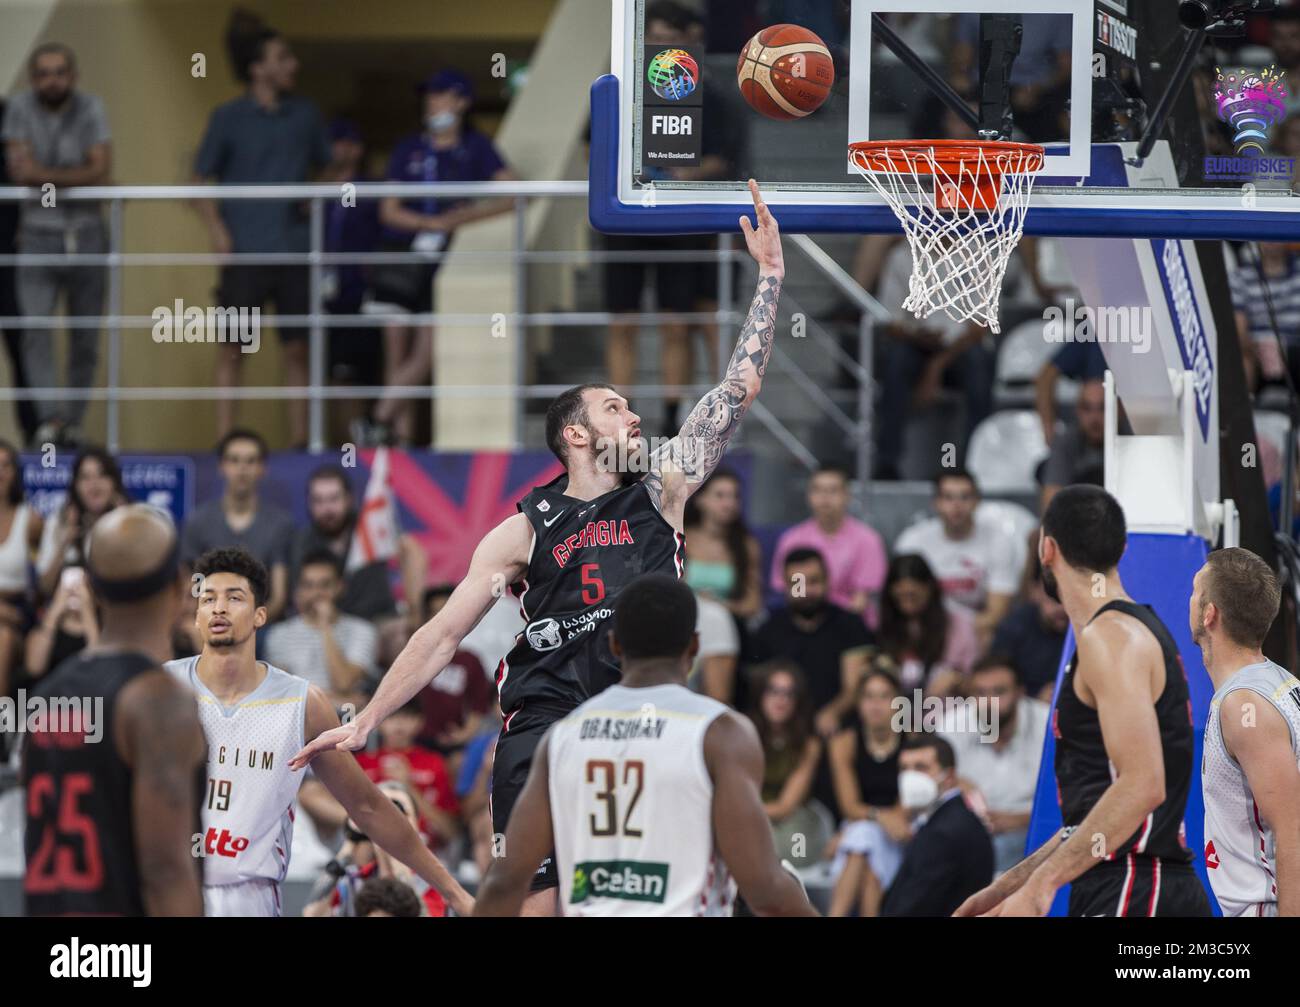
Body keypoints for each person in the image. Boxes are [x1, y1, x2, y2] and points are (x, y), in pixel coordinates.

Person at [293, 180, 787, 919]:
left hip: (640, 718)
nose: (635, 413)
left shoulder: (662, 486)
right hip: (544, 723)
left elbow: (736, 390)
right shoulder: (524, 526)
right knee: (539, 907)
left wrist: (771, 277)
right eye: (616, 406)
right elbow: (441, 632)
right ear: (577, 434)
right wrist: (365, 719)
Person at [472, 574, 817, 916]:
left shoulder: (563, 736)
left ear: (615, 645)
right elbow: (765, 890)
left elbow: (505, 881)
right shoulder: (721, 733)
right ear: (694, 647)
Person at [167, 547, 470, 917]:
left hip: (250, 900)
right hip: (168, 894)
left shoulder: (302, 702)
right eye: (208, 599)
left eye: (234, 597)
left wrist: (454, 892)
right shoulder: (161, 688)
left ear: (261, 614)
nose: (218, 608)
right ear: (196, 616)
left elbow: (368, 806)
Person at [956, 486, 1211, 917]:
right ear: (1121, 549)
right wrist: (1009, 885)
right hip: (1131, 884)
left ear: (1046, 548)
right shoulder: (1122, 631)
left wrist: (1040, 889)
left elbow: (1142, 785)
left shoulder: (1108, 637)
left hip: (1134, 885)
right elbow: (1093, 816)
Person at [23, 505, 205, 915]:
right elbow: (165, 871)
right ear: (179, 586)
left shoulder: (47, 694)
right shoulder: (159, 702)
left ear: (90, 587)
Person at [191, 19, 334, 444]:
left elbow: (329, 167)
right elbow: (197, 183)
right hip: (244, 252)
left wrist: (317, 195)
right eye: (282, 58)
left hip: (294, 249)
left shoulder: (305, 114)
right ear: (257, 69)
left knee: (297, 348)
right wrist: (217, 230)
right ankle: (225, 440)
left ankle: (301, 440)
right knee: (234, 347)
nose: (294, 64)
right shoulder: (228, 117)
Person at [364, 69, 516, 445]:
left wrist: (463, 218)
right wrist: (430, 221)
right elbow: (388, 209)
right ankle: (394, 443)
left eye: (442, 95)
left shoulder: (476, 147)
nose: (433, 103)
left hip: (445, 264)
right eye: (429, 96)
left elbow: (515, 193)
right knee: (395, 356)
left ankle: (376, 422)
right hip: (402, 259)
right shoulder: (408, 149)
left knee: (426, 353)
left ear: (462, 102)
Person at [1, 42, 112, 448]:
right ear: (33, 79)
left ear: (73, 75)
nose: (52, 80)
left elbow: (101, 168)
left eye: (60, 71)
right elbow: (19, 172)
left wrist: (44, 176)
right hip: (37, 235)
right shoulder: (19, 110)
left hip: (86, 234)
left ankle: (73, 422)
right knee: (34, 330)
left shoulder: (91, 108)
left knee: (85, 335)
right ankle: (49, 421)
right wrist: (74, 176)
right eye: (44, 73)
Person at [1191, 547, 1300, 917]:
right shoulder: (1278, 681)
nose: (1188, 599)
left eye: (1194, 590)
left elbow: (1292, 828)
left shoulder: (1243, 706)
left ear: (1209, 614)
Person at [289, 464, 426, 663]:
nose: (327, 509)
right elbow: (299, 596)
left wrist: (414, 611)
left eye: (334, 499)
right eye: (318, 501)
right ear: (309, 504)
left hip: (378, 621)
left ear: (349, 499)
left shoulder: (370, 526)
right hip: (328, 623)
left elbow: (412, 551)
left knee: (406, 637)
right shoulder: (302, 542)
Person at [940, 655, 1049, 874]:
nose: (988, 702)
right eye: (981, 693)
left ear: (1020, 692)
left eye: (999, 692)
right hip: (970, 831)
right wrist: (953, 783)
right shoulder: (952, 726)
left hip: (1035, 833)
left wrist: (1018, 821)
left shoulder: (1048, 726)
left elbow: (1066, 802)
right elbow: (933, 786)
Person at [750, 548, 872, 738]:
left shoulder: (850, 625)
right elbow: (761, 692)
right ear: (785, 585)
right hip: (784, 734)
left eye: (813, 581)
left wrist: (833, 713)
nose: (805, 591)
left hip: (838, 731)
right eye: (797, 583)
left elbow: (854, 687)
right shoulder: (767, 631)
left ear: (827, 580)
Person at [180, 429, 295, 621]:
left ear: (262, 468)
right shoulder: (198, 521)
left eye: (251, 461)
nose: (242, 469)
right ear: (222, 466)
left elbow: (279, 597)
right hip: (209, 622)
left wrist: (246, 626)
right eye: (234, 460)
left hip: (261, 626)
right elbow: (191, 586)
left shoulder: (280, 524)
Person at [895, 469, 1019, 641]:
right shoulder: (912, 541)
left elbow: (997, 613)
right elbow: (904, 605)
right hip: (925, 631)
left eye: (965, 497)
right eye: (948, 497)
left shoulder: (999, 541)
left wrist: (958, 636)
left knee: (989, 635)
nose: (956, 505)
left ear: (977, 501)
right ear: (936, 502)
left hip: (976, 633)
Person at [880, 735, 994, 916]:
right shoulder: (952, 818)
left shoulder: (943, 833)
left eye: (921, 767)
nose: (910, 777)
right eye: (904, 769)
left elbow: (915, 908)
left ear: (948, 777)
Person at [828, 666, 908, 917]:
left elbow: (903, 810)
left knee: (865, 842)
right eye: (869, 697)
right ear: (859, 703)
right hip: (858, 827)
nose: (876, 705)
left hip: (899, 834)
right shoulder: (843, 743)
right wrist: (880, 818)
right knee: (866, 840)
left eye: (884, 696)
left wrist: (881, 821)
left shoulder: (913, 742)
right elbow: (849, 805)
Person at [768, 464, 887, 626]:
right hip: (805, 623)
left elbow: (861, 600)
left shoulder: (867, 540)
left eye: (833, 491)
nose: (825, 498)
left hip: (851, 625)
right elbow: (797, 593)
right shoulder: (793, 540)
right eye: (818, 490)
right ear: (809, 495)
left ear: (848, 496)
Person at [264, 548, 378, 705]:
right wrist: (334, 700)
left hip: (347, 719)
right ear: (299, 590)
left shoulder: (363, 631)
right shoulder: (279, 634)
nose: (316, 593)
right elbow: (282, 697)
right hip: (301, 718)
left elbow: (344, 683)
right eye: (308, 585)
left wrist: (325, 627)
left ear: (340, 587)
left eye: (325, 585)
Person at [747, 661, 827, 869]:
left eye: (789, 693)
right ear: (761, 695)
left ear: (797, 701)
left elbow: (786, 806)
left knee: (773, 848)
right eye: (773, 691)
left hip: (790, 823)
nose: (780, 699)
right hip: (750, 817)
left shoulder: (809, 745)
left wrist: (740, 811)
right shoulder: (743, 735)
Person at [876, 553, 978, 695]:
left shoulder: (959, 626)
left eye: (913, 595)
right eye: (900, 596)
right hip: (895, 710)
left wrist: (957, 679)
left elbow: (976, 683)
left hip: (946, 709)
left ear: (929, 588)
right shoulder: (883, 624)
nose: (907, 603)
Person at [35, 446, 127, 600]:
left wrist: (125, 530)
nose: (94, 485)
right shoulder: (59, 521)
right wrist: (63, 544)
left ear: (114, 483)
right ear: (75, 486)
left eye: (102, 475)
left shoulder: (131, 520)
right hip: (69, 612)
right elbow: (45, 587)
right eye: (85, 478)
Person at [413, 584, 489, 754]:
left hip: (455, 743)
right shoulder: (412, 656)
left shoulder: (471, 661)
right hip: (414, 740)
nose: (443, 619)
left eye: (448, 612)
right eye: (435, 612)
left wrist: (463, 735)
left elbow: (479, 707)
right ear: (426, 617)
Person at [683, 468, 763, 623]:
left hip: (728, 624)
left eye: (735, 497)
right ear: (700, 499)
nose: (729, 504)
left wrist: (718, 606)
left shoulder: (747, 545)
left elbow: (753, 603)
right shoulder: (680, 538)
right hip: (684, 622)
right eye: (720, 496)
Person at [990, 552, 1069, 701]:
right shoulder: (1014, 628)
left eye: (1067, 598)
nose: (1061, 608)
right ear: (1035, 591)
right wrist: (1034, 698)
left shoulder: (1086, 628)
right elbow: (996, 681)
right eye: (1052, 598)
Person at [0, 440, 42, 697]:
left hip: (15, 615)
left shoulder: (31, 520)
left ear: (15, 472)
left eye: (6, 465)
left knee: (2, 638)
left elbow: (44, 583)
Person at [1040, 378, 1105, 510]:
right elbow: (1051, 502)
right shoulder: (1065, 442)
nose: (1094, 417)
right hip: (1075, 521)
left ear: (1118, 411)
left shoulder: (1129, 441)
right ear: (1077, 411)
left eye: (1102, 408)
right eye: (1087, 408)